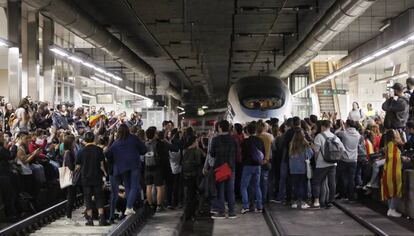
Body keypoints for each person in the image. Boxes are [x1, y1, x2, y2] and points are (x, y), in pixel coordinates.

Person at [105, 124, 147, 218]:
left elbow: (107, 154)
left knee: (128, 186)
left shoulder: (116, 142)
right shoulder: (134, 138)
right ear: (128, 130)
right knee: (134, 186)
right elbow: (144, 150)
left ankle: (129, 207)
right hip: (134, 165)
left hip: (122, 168)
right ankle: (129, 207)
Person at [75, 132, 109, 226]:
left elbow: (77, 167)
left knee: (87, 198)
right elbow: (102, 165)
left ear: (85, 140)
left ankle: (90, 220)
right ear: (93, 139)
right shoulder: (99, 150)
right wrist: (105, 174)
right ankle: (101, 218)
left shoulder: (81, 151)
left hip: (85, 178)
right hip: (97, 177)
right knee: (99, 197)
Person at [208, 120, 238, 219]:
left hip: (220, 166)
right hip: (231, 167)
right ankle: (232, 212)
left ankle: (221, 212)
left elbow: (212, 154)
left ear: (220, 127)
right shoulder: (233, 139)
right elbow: (237, 153)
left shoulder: (216, 140)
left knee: (220, 190)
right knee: (230, 190)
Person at [312, 120, 344, 208]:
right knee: (332, 182)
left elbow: (316, 151)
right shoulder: (335, 137)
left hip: (321, 163)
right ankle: (330, 201)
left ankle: (316, 201)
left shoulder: (319, 136)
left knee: (316, 182)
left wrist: (316, 161)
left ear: (322, 127)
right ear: (329, 127)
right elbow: (342, 149)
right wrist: (336, 158)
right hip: (333, 163)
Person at [240, 122, 264, 214]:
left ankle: (246, 206)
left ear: (247, 131)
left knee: (244, 186)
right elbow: (263, 153)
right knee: (257, 186)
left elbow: (243, 154)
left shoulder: (245, 142)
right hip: (258, 166)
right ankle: (259, 206)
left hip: (248, 166)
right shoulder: (260, 140)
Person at [336, 120, 361, 201]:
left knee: (343, 178)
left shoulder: (344, 133)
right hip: (353, 160)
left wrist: (341, 126)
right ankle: (351, 197)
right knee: (351, 179)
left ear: (347, 125)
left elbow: (336, 133)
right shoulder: (358, 134)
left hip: (344, 159)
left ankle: (344, 195)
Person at [381, 130, 403, 217]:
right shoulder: (393, 147)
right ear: (393, 137)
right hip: (393, 173)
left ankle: (390, 209)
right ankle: (392, 209)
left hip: (388, 172)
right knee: (395, 191)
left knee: (391, 191)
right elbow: (393, 161)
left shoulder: (389, 145)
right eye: (396, 134)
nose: (398, 135)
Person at [181, 136, 204, 221]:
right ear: (194, 142)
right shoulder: (196, 151)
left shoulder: (184, 151)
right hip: (194, 176)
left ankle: (187, 214)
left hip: (186, 175)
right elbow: (198, 162)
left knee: (188, 196)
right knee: (193, 196)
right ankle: (192, 214)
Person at [289, 129, 313, 209]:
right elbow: (310, 154)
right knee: (303, 185)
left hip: (293, 169)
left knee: (295, 185)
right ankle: (303, 202)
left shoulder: (291, 144)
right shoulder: (305, 144)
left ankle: (294, 202)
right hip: (303, 168)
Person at [144, 127, 166, 212]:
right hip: (157, 167)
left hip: (147, 167)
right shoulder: (159, 144)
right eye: (156, 132)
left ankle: (150, 205)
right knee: (159, 187)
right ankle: (159, 206)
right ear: (154, 134)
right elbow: (163, 156)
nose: (157, 133)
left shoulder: (145, 143)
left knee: (148, 186)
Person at [62, 134, 79, 225]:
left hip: (69, 176)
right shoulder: (68, 152)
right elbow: (71, 167)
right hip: (70, 177)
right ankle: (68, 216)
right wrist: (77, 166)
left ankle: (69, 216)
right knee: (70, 197)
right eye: (73, 142)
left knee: (71, 196)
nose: (74, 143)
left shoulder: (68, 152)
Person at [256, 120, 274, 203]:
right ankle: (265, 198)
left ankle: (258, 198)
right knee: (265, 180)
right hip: (267, 160)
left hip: (258, 160)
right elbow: (274, 148)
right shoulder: (270, 136)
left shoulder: (257, 136)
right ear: (265, 128)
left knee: (258, 181)